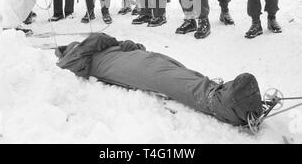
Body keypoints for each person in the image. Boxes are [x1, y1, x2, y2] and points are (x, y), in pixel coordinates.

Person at [56, 32, 264, 127]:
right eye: (74, 45)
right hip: (126, 67)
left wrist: (130, 44)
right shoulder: (76, 57)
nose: (76, 44)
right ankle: (221, 104)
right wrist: (112, 41)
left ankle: (219, 91)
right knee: (167, 79)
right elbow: (97, 38)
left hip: (137, 58)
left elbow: (100, 39)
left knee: (178, 71)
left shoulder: (92, 48)